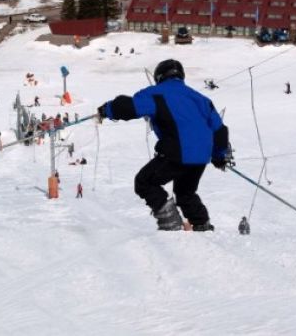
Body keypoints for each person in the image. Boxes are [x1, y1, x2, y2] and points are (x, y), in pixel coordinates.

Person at [97, 59, 230, 232]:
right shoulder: (201, 99)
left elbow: (130, 107)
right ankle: (201, 225)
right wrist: (219, 156)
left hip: (177, 151)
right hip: (200, 157)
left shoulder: (156, 93)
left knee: (144, 182)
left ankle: (171, 223)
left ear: (159, 77)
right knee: (185, 193)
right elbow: (219, 130)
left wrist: (107, 110)